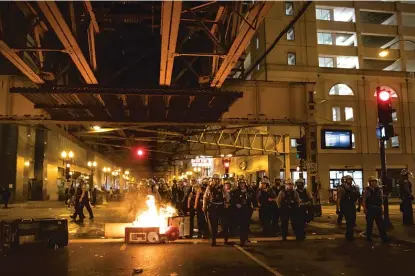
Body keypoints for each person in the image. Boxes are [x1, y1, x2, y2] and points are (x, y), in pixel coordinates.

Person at [203, 174, 229, 246]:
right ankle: (213, 240)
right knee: (213, 225)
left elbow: (227, 195)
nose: (216, 180)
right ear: (213, 180)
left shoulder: (222, 187)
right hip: (213, 207)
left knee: (224, 224)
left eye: (217, 179)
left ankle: (226, 239)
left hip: (221, 206)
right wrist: (204, 205)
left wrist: (226, 202)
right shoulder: (209, 187)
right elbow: (205, 197)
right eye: (214, 179)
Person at [362, 176, 388, 242]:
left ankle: (384, 237)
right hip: (370, 208)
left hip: (378, 209)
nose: (374, 183)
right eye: (372, 181)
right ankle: (368, 237)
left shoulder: (378, 190)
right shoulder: (367, 190)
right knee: (370, 224)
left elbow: (380, 200)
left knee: (381, 224)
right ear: (369, 182)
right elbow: (364, 200)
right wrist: (365, 208)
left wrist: (381, 208)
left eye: (374, 181)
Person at [231, 179, 256, 246]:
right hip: (239, 210)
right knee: (242, 225)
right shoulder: (235, 191)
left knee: (246, 225)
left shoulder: (250, 191)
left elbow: (254, 199)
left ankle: (245, 238)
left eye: (243, 183)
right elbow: (232, 200)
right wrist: (236, 204)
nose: (242, 185)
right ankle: (242, 240)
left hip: (248, 210)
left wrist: (255, 206)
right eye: (240, 183)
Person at [337, 175, 361, 241]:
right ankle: (349, 235)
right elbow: (339, 198)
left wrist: (359, 206)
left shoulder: (355, 187)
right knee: (349, 221)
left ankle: (349, 234)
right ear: (345, 180)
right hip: (345, 206)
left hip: (352, 205)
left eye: (351, 179)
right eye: (348, 179)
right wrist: (337, 208)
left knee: (353, 221)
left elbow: (359, 197)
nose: (350, 181)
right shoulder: (342, 188)